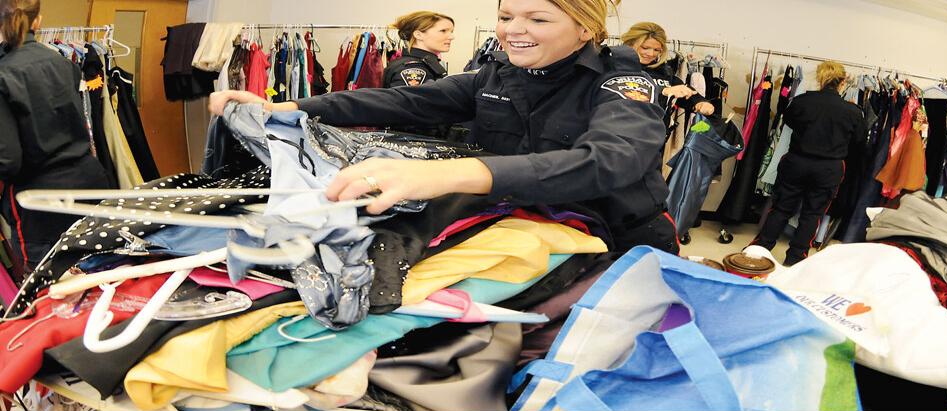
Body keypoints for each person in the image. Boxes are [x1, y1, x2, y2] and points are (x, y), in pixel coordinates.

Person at [210, 0, 678, 255]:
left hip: (621, 242)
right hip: (530, 235)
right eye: (505, 15)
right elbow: (404, 100)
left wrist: (446, 175)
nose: (514, 29)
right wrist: (286, 105)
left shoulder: (625, 83)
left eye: (537, 18)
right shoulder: (497, 75)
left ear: (584, 29)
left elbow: (608, 161)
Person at [0, 0, 110, 273]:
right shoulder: (64, 63)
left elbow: (8, 160)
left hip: (42, 199)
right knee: (98, 274)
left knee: (48, 286)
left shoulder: (3, 74)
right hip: (90, 181)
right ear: (37, 22)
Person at [749, 61, 866, 265]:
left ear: (820, 79)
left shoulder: (802, 101)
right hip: (828, 168)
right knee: (812, 214)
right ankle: (796, 258)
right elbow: (858, 142)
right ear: (843, 82)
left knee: (781, 208)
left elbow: (790, 122)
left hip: (797, 162)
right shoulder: (853, 112)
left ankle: (760, 249)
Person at [621, 22, 714, 121]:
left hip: (655, 133)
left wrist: (701, 103)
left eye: (657, 50)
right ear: (630, 44)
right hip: (619, 132)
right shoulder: (614, 68)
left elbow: (685, 91)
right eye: (645, 48)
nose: (651, 53)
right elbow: (622, 97)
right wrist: (663, 92)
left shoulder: (663, 71)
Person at [383, 11, 454, 88]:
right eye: (443, 31)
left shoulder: (426, 63)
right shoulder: (413, 69)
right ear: (418, 35)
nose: (451, 37)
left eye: (451, 31)